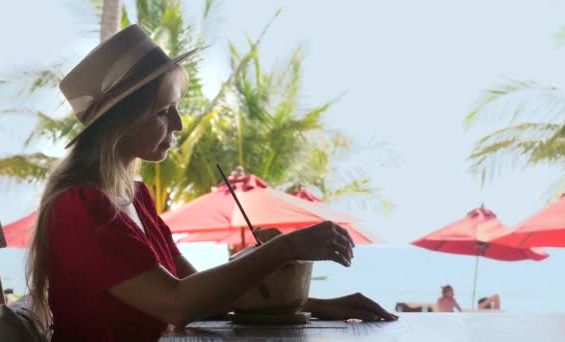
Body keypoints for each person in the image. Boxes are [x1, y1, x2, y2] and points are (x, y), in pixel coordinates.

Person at [25, 24, 397, 342]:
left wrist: (315, 306)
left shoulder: (134, 197)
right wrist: (287, 246)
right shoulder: (80, 207)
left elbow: (203, 291)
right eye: (163, 111)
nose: (179, 124)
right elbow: (179, 303)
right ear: (120, 122)